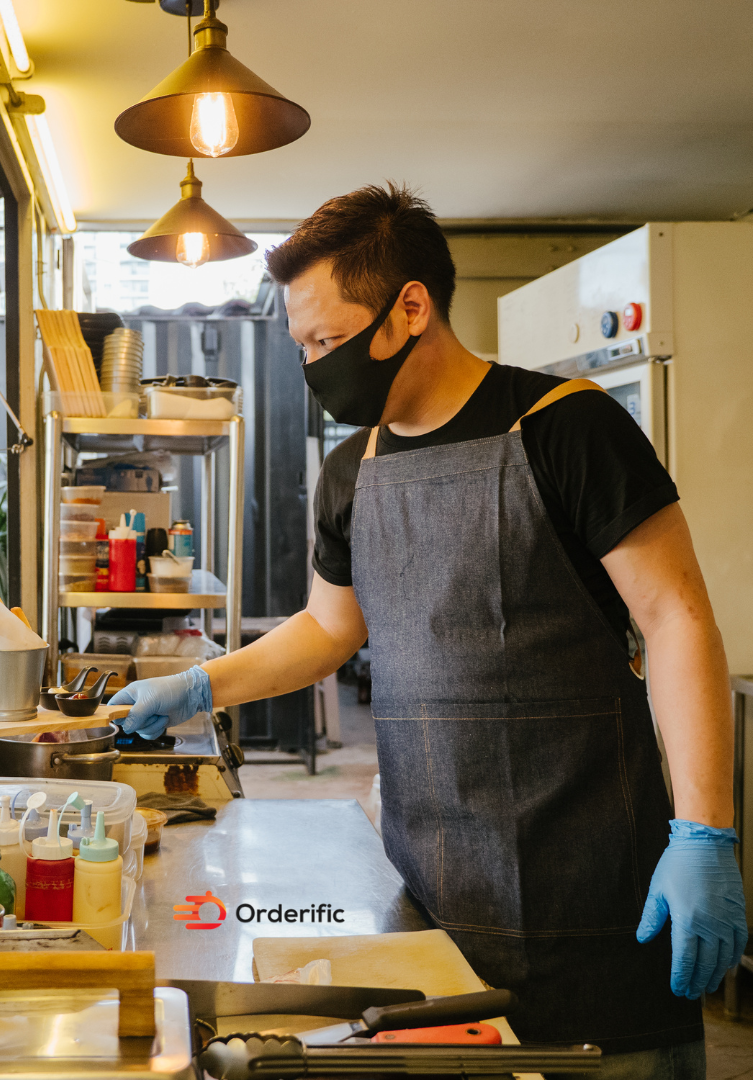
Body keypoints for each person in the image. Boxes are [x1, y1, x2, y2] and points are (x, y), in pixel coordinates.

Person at [109, 184, 747, 1078]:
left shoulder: (569, 429)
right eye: (302, 347)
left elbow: (675, 619)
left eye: (327, 341)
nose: (315, 367)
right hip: (432, 899)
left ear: (411, 307)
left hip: (603, 896)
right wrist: (202, 685)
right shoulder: (349, 474)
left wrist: (706, 832)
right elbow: (329, 630)